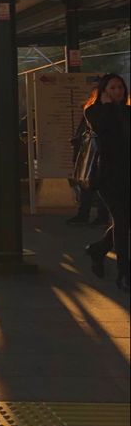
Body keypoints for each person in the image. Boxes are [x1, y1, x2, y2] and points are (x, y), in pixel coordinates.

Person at [83, 74, 130, 290]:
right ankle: (124, 272)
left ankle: (99, 249)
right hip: (107, 176)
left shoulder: (128, 112)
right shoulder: (93, 112)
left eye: (120, 87)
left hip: (127, 174)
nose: (118, 91)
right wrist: (108, 107)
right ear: (104, 91)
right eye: (113, 88)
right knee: (121, 220)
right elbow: (103, 130)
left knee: (124, 221)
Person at [66, 114, 110, 227]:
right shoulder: (96, 111)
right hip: (94, 153)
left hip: (94, 154)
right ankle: (95, 216)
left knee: (92, 185)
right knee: (90, 185)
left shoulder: (93, 111)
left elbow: (83, 133)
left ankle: (94, 216)